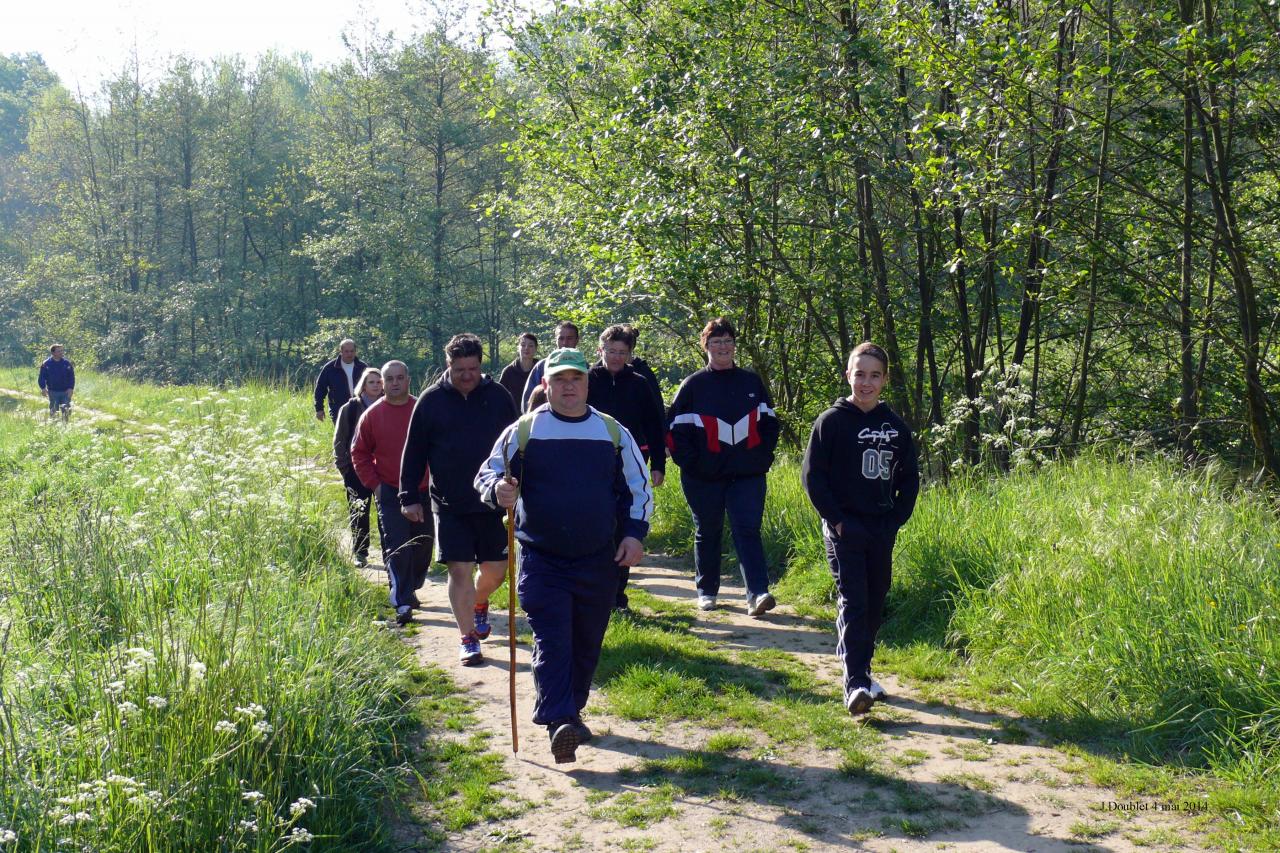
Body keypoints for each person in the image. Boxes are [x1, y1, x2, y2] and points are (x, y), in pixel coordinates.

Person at [476, 347, 652, 764]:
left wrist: (634, 535)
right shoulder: (524, 431)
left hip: (598, 558)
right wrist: (497, 491)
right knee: (553, 639)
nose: (568, 386)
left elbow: (638, 489)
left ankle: (571, 709)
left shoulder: (612, 433)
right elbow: (487, 473)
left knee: (586, 642)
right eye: (559, 380)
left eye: (575, 379)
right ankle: (559, 721)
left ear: (587, 383)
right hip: (541, 557)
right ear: (546, 385)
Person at [801, 342, 919, 716]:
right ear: (847, 375)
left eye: (874, 375)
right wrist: (837, 520)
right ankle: (853, 684)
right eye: (859, 374)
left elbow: (910, 479)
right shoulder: (831, 422)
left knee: (876, 597)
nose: (866, 382)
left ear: (884, 380)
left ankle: (864, 672)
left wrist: (895, 520)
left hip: (880, 528)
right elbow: (812, 478)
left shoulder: (896, 427)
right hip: (843, 529)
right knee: (854, 599)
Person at [400, 334, 519, 666]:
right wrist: (408, 495)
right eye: (459, 368)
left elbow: (517, 445)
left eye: (473, 368)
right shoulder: (431, 401)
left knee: (496, 571)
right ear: (447, 365)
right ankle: (467, 638)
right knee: (459, 568)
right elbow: (414, 453)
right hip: (449, 502)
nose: (467, 375)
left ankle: (479, 602)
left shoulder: (498, 397)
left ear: (481, 365)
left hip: (494, 503)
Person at [666, 317, 780, 616]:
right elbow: (675, 432)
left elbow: (770, 424)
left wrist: (761, 459)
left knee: (748, 530)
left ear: (734, 345)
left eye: (727, 341)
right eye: (716, 342)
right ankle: (707, 590)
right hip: (703, 477)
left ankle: (758, 593)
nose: (723, 347)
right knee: (708, 530)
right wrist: (694, 465)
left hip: (747, 475)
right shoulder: (692, 385)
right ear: (706, 346)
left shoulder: (751, 382)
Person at [588, 324, 667, 611]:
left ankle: (618, 595)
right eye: (611, 351)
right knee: (598, 524)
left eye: (622, 352)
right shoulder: (588, 380)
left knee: (624, 525)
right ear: (601, 350)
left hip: (630, 463)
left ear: (630, 354)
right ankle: (595, 589)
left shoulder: (639, 384)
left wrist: (659, 463)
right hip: (592, 463)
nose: (616, 357)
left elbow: (655, 425)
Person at [351, 360, 432, 626]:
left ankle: (412, 586)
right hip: (389, 491)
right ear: (382, 383)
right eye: (390, 379)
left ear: (409, 379)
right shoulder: (372, 415)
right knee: (397, 547)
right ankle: (403, 601)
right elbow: (359, 453)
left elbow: (439, 446)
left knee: (422, 546)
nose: (395, 383)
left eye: (400, 377)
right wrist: (375, 485)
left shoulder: (422, 409)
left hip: (423, 491)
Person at [333, 367, 383, 567]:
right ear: (363, 385)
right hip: (356, 470)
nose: (376, 385)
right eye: (371, 382)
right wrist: (344, 469)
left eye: (379, 382)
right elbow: (339, 440)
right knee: (359, 512)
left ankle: (390, 552)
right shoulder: (350, 408)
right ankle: (361, 553)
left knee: (385, 513)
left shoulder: (389, 406)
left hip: (383, 469)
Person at [520, 321, 580, 411]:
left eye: (569, 338)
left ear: (577, 340)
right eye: (561, 338)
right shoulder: (541, 367)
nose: (565, 343)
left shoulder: (584, 368)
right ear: (555, 340)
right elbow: (528, 402)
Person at [313, 339, 369, 422]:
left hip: (360, 408)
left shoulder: (363, 367)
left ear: (355, 351)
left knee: (358, 434)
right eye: (346, 351)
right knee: (341, 434)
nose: (349, 354)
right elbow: (320, 389)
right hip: (338, 409)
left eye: (352, 351)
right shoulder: (330, 368)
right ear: (341, 351)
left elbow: (372, 386)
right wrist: (319, 409)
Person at [498, 333, 538, 405]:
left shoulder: (540, 369)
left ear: (536, 349)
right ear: (518, 348)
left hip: (538, 414)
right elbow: (500, 396)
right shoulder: (508, 372)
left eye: (530, 346)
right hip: (513, 415)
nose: (526, 348)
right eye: (523, 345)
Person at [38, 344, 75, 420]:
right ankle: (54, 427)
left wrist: (71, 388)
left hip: (65, 392)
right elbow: (42, 377)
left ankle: (65, 427)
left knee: (66, 411)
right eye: (59, 351)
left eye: (62, 350)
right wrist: (43, 388)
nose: (61, 353)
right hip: (53, 392)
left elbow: (71, 377)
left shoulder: (67, 363)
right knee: (54, 412)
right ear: (53, 353)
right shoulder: (46, 364)